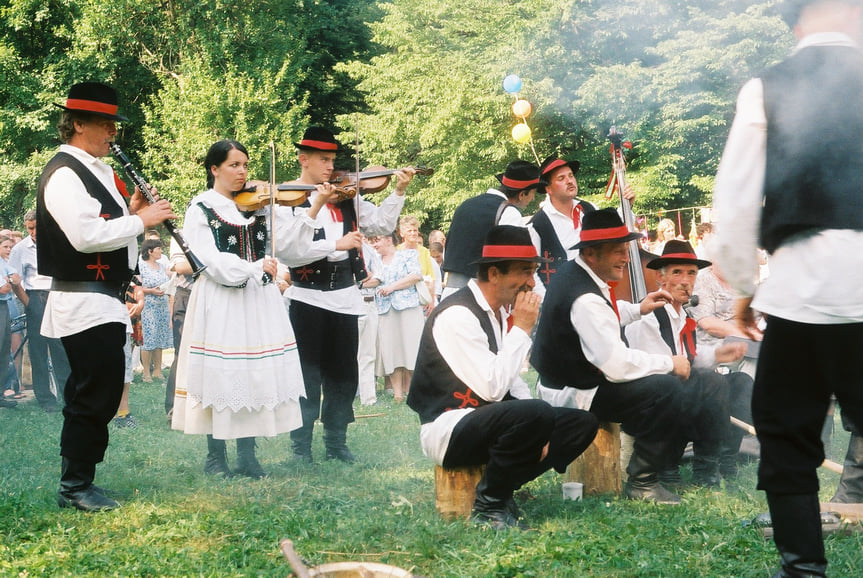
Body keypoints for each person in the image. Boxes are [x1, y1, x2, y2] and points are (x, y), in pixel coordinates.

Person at [712, 1, 863, 574]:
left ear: (798, 22)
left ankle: (803, 570)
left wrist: (747, 286)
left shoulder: (764, 87)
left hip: (798, 292)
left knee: (787, 437)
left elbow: (736, 200)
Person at [37, 81, 176, 511]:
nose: (112, 133)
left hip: (103, 299)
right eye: (104, 124)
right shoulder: (63, 172)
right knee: (92, 392)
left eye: (113, 124)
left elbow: (114, 234)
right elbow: (85, 237)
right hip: (81, 300)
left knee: (101, 388)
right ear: (77, 124)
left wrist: (133, 213)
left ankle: (81, 480)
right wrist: (143, 220)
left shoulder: (95, 170)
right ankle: (75, 486)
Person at [406, 225, 598, 530]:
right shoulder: (457, 315)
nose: (531, 283)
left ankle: (503, 485)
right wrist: (521, 329)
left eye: (533, 271)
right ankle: (490, 505)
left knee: (581, 423)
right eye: (524, 271)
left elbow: (513, 384)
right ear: (494, 274)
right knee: (535, 413)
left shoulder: (495, 311)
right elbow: (493, 387)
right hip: (448, 427)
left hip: (486, 423)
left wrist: (544, 427)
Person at [171, 139, 329, 478]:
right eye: (233, 165)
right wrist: (252, 269)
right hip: (220, 299)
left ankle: (247, 454)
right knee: (222, 374)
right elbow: (205, 259)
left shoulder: (260, 206)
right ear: (214, 169)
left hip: (258, 300)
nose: (242, 172)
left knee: (253, 374)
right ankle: (216, 457)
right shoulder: (201, 207)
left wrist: (310, 208)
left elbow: (290, 246)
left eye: (245, 164)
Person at [531, 208, 691, 504]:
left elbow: (602, 319)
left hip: (573, 382)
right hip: (573, 393)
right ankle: (643, 481)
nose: (626, 258)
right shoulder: (585, 297)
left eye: (625, 250)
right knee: (666, 389)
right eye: (618, 251)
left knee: (658, 382)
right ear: (592, 253)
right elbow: (615, 365)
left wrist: (637, 308)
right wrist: (670, 363)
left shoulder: (576, 274)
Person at [285, 126, 414, 463]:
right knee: (306, 374)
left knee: (344, 376)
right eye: (323, 160)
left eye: (333, 160)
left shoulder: (348, 197)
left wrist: (398, 190)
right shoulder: (288, 198)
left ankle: (336, 442)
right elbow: (290, 251)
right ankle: (300, 446)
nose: (331, 167)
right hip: (307, 297)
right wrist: (335, 243)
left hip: (345, 297)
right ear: (304, 159)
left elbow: (381, 226)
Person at [623, 240, 752, 485]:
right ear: (661, 279)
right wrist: (693, 371)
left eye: (691, 273)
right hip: (652, 401)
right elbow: (651, 368)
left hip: (679, 391)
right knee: (711, 382)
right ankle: (675, 467)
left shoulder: (683, 313)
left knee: (741, 383)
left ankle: (723, 462)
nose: (686, 280)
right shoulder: (648, 314)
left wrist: (718, 354)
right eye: (677, 272)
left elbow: (687, 356)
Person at [441, 160, 541, 299]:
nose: (533, 198)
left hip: (449, 293)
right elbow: (515, 261)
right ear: (522, 194)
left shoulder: (465, 205)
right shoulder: (509, 212)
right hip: (481, 295)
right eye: (533, 193)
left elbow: (448, 249)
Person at [7, 211, 72, 412]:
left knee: (61, 348)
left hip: (58, 296)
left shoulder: (56, 243)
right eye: (30, 228)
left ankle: (68, 395)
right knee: (38, 350)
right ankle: (46, 399)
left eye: (36, 227)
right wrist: (29, 304)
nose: (34, 232)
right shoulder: (20, 249)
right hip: (35, 297)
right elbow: (15, 279)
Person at [371, 233, 424, 402]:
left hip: (408, 307)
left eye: (377, 240)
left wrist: (392, 287)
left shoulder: (407, 254)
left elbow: (416, 275)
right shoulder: (374, 260)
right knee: (391, 350)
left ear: (388, 240)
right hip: (384, 310)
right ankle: (397, 394)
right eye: (372, 241)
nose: (374, 244)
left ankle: (412, 390)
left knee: (411, 348)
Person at [138, 238, 172, 382]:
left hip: (162, 306)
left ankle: (158, 371)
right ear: (150, 251)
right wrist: (150, 291)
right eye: (158, 248)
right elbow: (136, 287)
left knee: (160, 338)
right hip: (148, 306)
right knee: (148, 339)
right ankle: (146, 372)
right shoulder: (141, 266)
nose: (161, 251)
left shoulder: (161, 266)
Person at [357, 236, 382, 406]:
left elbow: (379, 278)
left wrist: (361, 281)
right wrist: (364, 279)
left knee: (368, 354)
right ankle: (347, 395)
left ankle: (368, 398)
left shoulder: (371, 251)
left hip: (369, 303)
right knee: (347, 354)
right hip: (349, 304)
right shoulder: (342, 250)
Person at [397, 215, 439, 314]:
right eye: (409, 231)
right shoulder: (397, 251)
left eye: (415, 230)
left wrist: (431, 300)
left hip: (421, 300)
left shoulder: (424, 252)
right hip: (402, 300)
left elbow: (431, 278)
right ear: (402, 234)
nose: (413, 233)